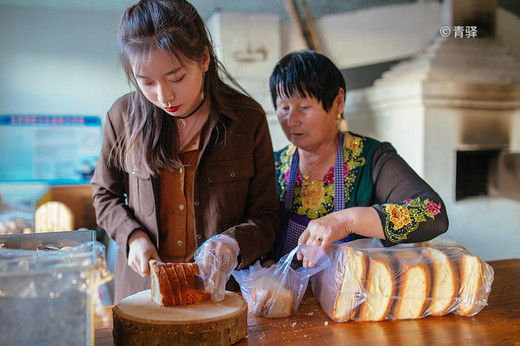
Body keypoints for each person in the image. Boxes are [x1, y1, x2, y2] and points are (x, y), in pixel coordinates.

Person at [91, 0, 278, 304]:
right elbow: (104, 195)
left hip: (218, 296)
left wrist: (232, 244)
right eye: (146, 82)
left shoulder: (247, 119)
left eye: (176, 78)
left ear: (204, 58)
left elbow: (267, 216)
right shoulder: (122, 116)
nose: (163, 96)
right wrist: (132, 236)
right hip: (143, 293)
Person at [269, 50, 448, 267]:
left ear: (338, 102)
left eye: (304, 107)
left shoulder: (371, 158)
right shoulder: (273, 164)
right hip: (283, 294)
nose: (292, 120)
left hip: (353, 294)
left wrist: (346, 220)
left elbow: (432, 212)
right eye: (284, 108)